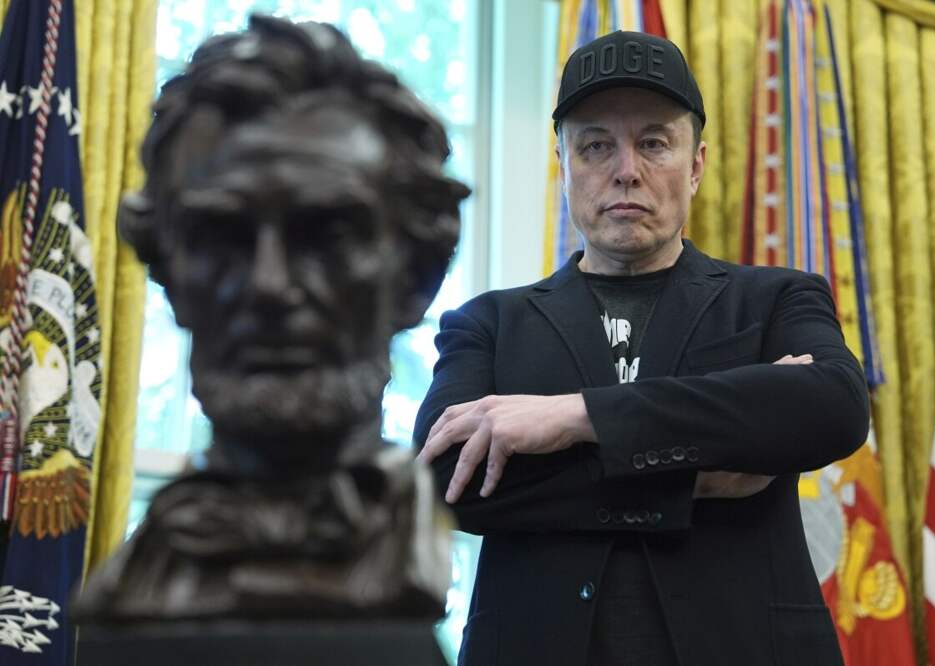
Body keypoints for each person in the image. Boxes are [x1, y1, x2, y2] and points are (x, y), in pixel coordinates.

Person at [415, 30, 869, 666]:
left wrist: (576, 416)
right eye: (596, 145)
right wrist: (690, 478)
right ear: (564, 164)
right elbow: (445, 478)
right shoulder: (486, 323)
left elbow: (832, 407)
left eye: (654, 142)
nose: (626, 169)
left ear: (697, 164)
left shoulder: (775, 299)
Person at [74, 15, 468, 624]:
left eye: (326, 236)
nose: (269, 285)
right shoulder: (130, 583)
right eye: (222, 236)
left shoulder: (408, 556)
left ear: (416, 279)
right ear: (170, 276)